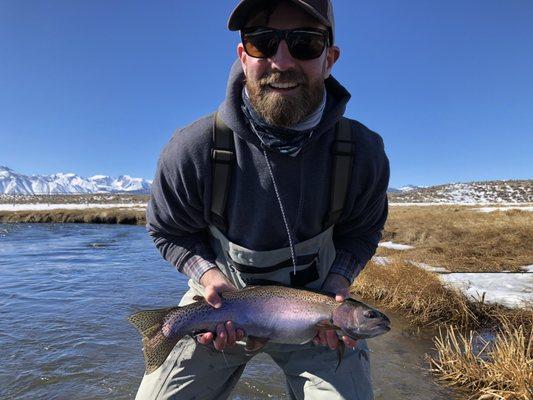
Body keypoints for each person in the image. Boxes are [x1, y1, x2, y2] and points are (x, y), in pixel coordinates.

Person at [136, 0, 389, 399]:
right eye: (263, 42)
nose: (281, 61)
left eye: (305, 43)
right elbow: (168, 231)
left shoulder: (363, 153)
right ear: (243, 54)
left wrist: (340, 279)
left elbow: (362, 232)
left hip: (317, 317)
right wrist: (208, 276)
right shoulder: (192, 149)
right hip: (221, 306)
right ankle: (166, 328)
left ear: (330, 58)